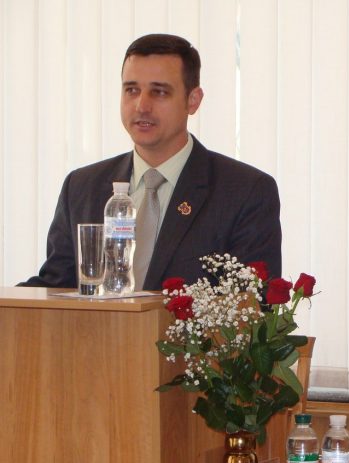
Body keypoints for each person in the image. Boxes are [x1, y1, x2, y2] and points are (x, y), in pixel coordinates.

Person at [19, 33, 281, 290]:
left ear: (193, 101)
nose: (141, 105)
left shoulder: (244, 191)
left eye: (159, 92)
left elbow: (252, 303)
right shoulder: (82, 187)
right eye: (131, 90)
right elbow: (55, 287)